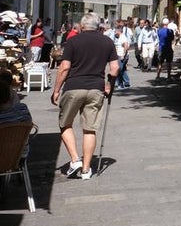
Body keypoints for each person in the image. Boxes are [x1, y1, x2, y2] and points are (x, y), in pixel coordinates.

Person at [51, 12, 119, 180]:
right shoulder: (107, 41)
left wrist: (56, 89)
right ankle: (86, 169)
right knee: (90, 129)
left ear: (82, 27)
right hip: (96, 88)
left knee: (65, 123)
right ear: (98, 27)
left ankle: (75, 160)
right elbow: (115, 68)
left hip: (74, 86)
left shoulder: (73, 41)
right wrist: (109, 84)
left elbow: (65, 67)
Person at [113, 24, 132, 89]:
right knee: (123, 69)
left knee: (118, 70)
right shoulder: (119, 37)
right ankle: (127, 83)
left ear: (118, 31)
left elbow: (126, 45)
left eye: (115, 31)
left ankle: (120, 84)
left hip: (121, 55)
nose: (115, 32)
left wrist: (123, 55)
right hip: (120, 55)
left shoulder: (122, 37)